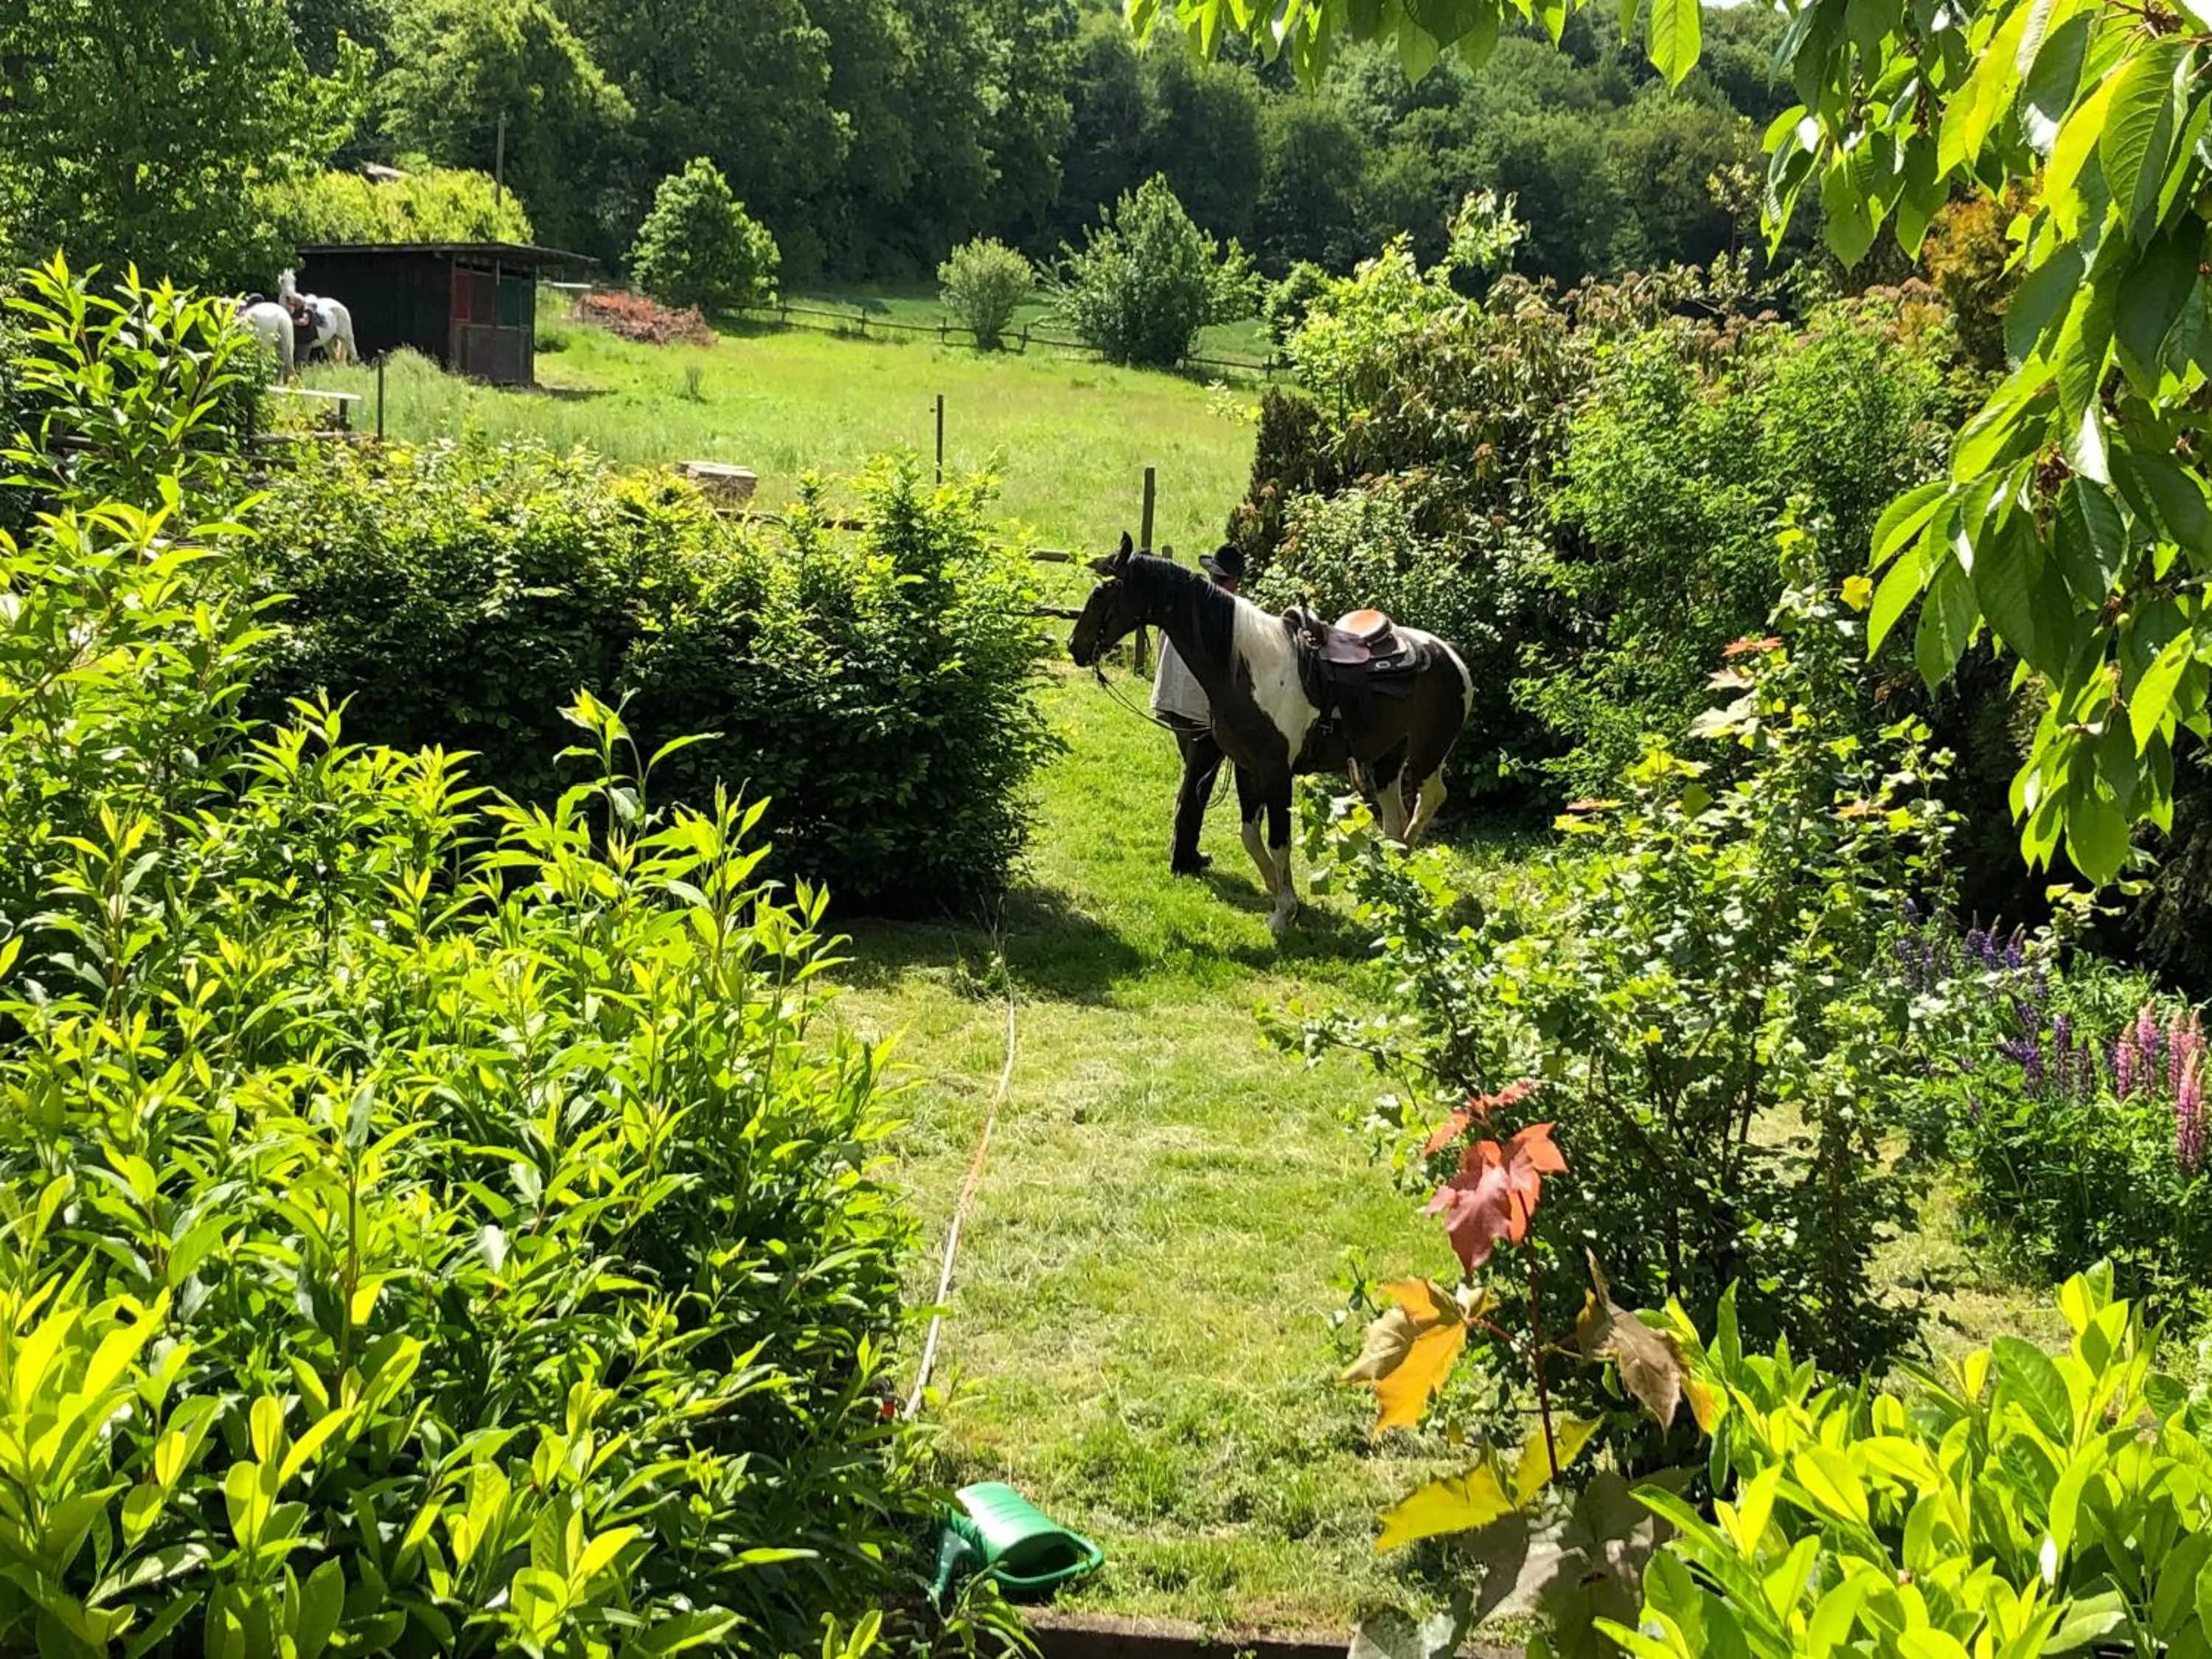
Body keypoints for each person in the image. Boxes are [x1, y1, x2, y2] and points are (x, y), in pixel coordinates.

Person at [1150, 545, 1244, 876]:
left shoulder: (1187, 600)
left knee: (1192, 777)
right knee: (1198, 783)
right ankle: (1183, 857)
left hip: (1173, 702)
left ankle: (1184, 850)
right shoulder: (1228, 613)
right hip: (1202, 711)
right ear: (1235, 580)